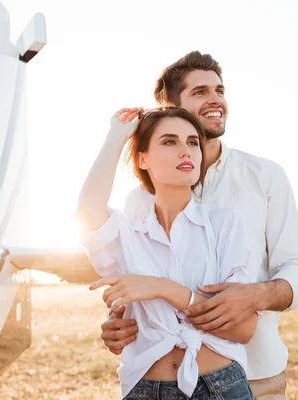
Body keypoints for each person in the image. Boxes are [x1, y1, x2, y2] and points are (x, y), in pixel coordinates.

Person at [99, 51, 298, 400]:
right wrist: (115, 323)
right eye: (200, 92)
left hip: (257, 376)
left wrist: (253, 296)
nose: (216, 99)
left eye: (219, 90)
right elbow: (131, 282)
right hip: (159, 383)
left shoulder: (265, 176)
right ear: (172, 107)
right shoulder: (138, 202)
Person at [76, 107, 260, 399]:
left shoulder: (226, 223)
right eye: (170, 141)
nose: (186, 151)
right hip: (144, 389)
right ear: (143, 159)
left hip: (220, 387)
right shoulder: (127, 235)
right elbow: (86, 213)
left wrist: (162, 288)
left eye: (192, 142)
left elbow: (243, 329)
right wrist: (116, 136)